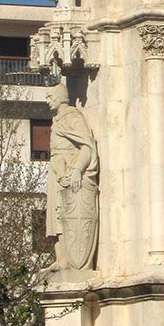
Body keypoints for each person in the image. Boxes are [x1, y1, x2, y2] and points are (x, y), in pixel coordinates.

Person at [45, 81, 99, 270]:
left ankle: (70, 259)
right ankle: (61, 258)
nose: (47, 101)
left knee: (65, 213)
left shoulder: (73, 118)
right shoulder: (57, 120)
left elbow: (87, 145)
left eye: (50, 97)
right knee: (56, 218)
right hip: (56, 172)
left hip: (68, 170)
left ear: (60, 96)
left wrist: (77, 169)